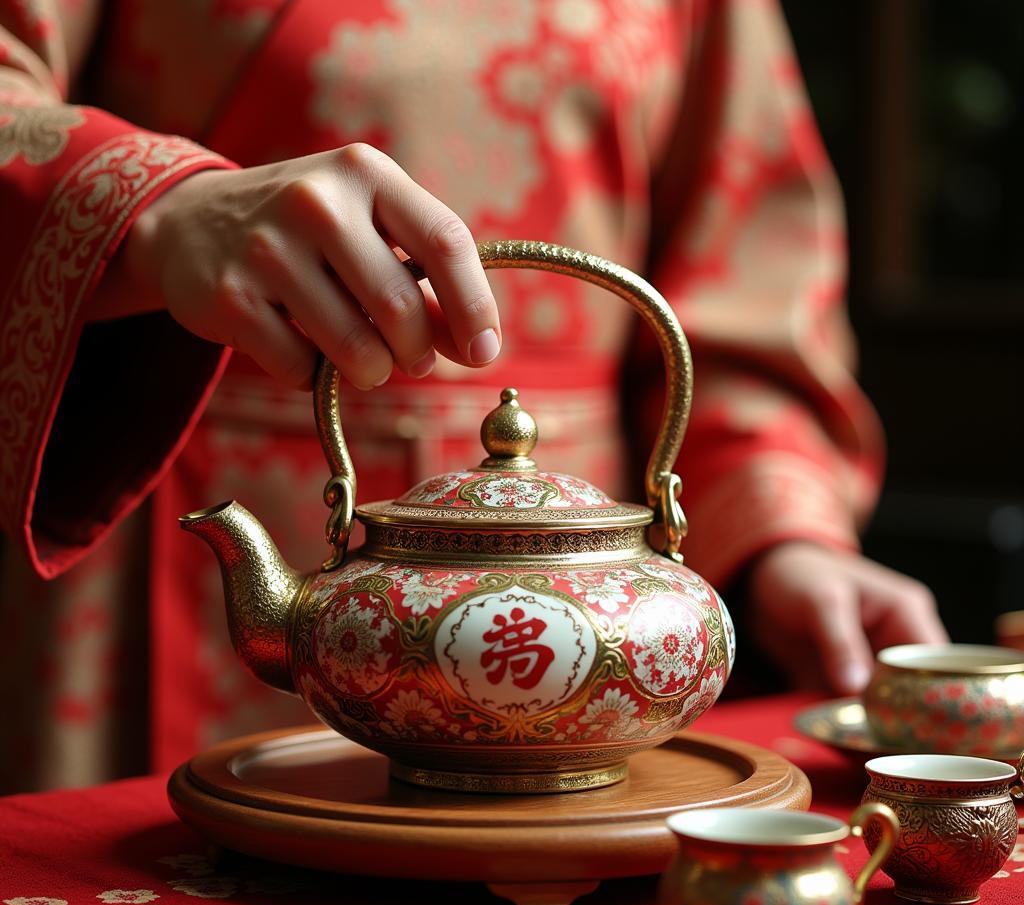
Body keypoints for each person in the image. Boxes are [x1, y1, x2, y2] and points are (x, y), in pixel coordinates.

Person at [0, 0, 946, 792]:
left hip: (586, 575)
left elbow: (741, 256)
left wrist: (781, 531)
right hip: (158, 507)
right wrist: (161, 207)